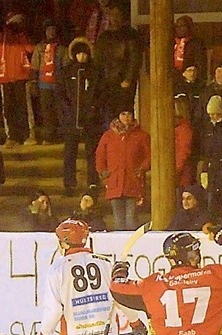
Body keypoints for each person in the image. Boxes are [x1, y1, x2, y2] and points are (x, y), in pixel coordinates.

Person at [58, 37, 103, 196]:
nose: (82, 57)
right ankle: (69, 182)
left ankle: (93, 181)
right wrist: (68, 111)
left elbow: (100, 93)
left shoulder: (95, 72)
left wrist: (93, 108)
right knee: (70, 152)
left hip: (91, 120)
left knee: (92, 152)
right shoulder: (67, 72)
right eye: (79, 54)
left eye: (85, 54)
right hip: (71, 120)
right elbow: (61, 94)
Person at [95, 107, 151, 230]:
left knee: (131, 220)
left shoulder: (141, 136)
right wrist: (104, 174)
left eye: (129, 114)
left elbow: (150, 155)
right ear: (118, 116)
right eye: (123, 114)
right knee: (118, 220)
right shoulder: (108, 136)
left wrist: (142, 168)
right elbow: (100, 156)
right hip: (114, 182)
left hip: (134, 182)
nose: (126, 117)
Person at [0, 11, 34, 148]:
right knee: (8, 109)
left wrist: (21, 35)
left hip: (21, 77)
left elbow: (30, 49)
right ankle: (12, 136)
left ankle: (27, 134)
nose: (16, 25)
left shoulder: (22, 37)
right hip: (5, 78)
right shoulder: (0, 39)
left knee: (24, 107)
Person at [29, 19, 67, 145]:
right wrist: (34, 83)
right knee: (46, 111)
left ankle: (63, 135)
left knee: (60, 110)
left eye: (53, 30)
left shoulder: (62, 48)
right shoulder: (39, 48)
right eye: (48, 30)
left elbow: (66, 66)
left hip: (58, 83)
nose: (51, 32)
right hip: (43, 84)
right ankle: (49, 136)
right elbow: (34, 66)